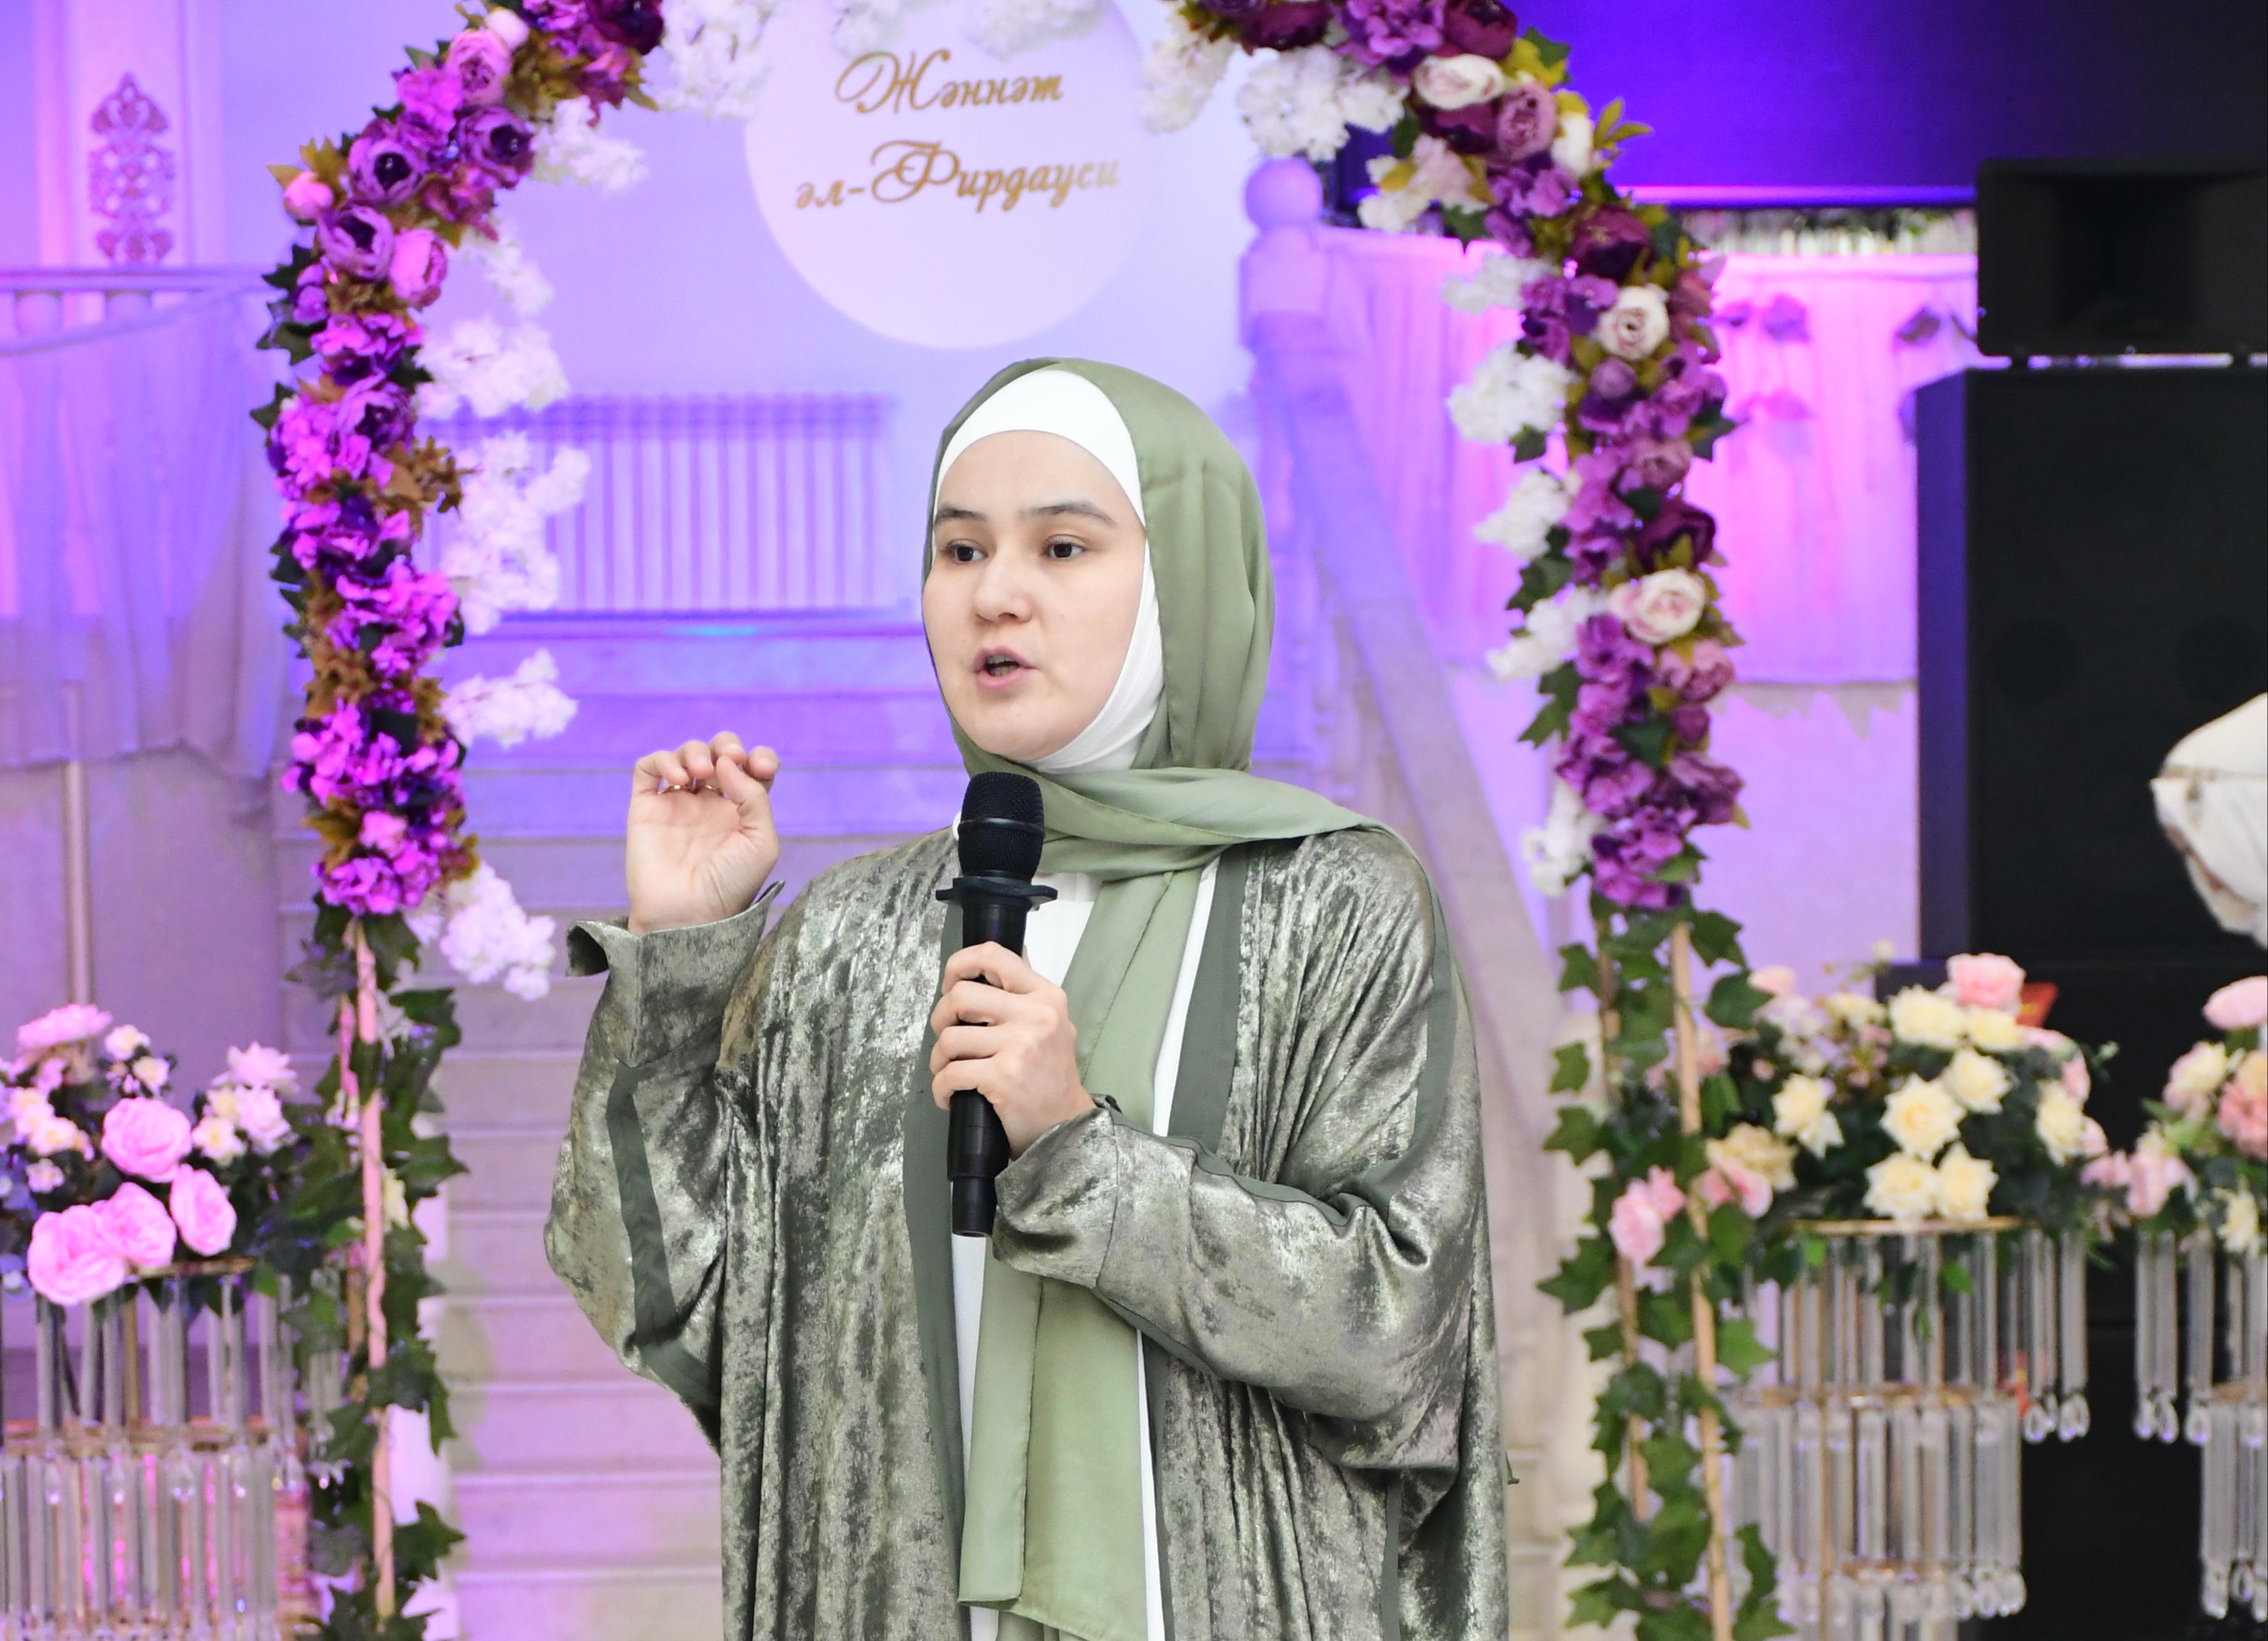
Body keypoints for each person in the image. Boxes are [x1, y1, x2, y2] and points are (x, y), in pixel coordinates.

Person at [546, 360, 1509, 1641]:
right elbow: (687, 1301)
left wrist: (1078, 1154)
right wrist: (679, 964)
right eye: (959, 549)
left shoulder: (1334, 903)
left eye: (1062, 545)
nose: (994, 592)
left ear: (1181, 582)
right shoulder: (846, 936)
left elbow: (1393, 1332)